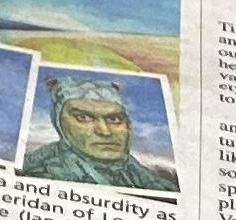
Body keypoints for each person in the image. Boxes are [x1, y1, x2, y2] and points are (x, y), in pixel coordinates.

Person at [20, 76, 178, 189]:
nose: (104, 131)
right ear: (60, 125)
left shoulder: (142, 175)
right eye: (83, 117)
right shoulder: (40, 173)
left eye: (115, 119)